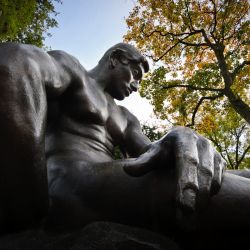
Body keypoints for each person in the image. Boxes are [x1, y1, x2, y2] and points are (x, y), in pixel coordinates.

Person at [0, 42, 249, 234]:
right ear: (116, 59)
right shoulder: (73, 72)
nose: (137, 87)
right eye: (136, 74)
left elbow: (150, 154)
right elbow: (16, 63)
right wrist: (29, 204)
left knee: (240, 175)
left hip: (108, 180)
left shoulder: (127, 117)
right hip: (69, 184)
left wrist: (179, 134)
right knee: (224, 194)